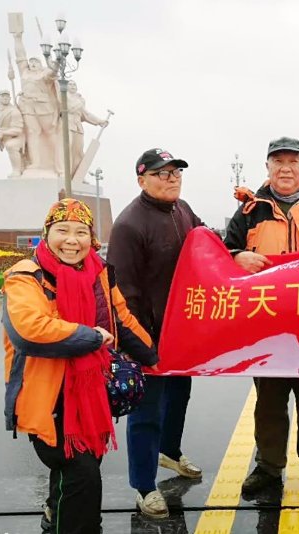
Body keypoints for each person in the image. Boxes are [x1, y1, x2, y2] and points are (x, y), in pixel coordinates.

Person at [2, 198, 157, 534]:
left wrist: (154, 355)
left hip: (91, 395)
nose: (72, 240)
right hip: (49, 401)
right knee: (82, 476)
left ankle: (54, 519)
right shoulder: (25, 278)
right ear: (46, 234)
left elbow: (121, 319)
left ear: (92, 238)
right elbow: (30, 332)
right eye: (62, 230)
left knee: (74, 478)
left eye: (81, 232)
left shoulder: (99, 274)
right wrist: (89, 336)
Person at [223, 136, 299, 498]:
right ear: (268, 168)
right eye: (278, 162)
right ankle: (269, 467)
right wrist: (236, 256)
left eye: (293, 161)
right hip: (266, 329)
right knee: (269, 406)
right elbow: (223, 253)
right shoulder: (249, 211)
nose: (286, 168)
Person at [107, 148, 204, 518]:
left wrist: (236, 253)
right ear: (142, 179)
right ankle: (144, 487)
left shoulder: (183, 210)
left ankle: (171, 452)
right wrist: (141, 345)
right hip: (148, 337)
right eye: (161, 173)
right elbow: (123, 293)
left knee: (179, 396)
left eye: (176, 171)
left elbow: (205, 244)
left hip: (182, 331)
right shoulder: (130, 224)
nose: (171, 178)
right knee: (145, 412)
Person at [12, 30, 59, 172]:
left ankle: (60, 162)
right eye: (31, 62)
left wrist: (55, 62)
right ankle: (36, 163)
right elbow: (20, 56)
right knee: (33, 133)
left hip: (44, 107)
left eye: (36, 62)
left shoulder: (44, 74)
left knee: (50, 133)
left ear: (41, 65)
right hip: (27, 106)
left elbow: (54, 72)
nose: (32, 63)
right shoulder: (24, 73)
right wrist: (17, 38)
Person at [65, 80, 109, 176]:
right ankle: (64, 174)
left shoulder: (79, 100)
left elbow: (86, 114)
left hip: (77, 127)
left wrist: (100, 121)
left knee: (78, 152)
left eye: (74, 84)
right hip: (66, 126)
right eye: (70, 84)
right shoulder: (63, 96)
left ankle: (76, 175)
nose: (72, 86)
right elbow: (69, 108)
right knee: (66, 149)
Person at [0, 89, 25, 177]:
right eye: (3, 96)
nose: (5, 98)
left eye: (7, 96)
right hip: (5, 137)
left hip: (18, 137)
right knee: (8, 144)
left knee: (11, 145)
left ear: (10, 98)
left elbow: (18, 130)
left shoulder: (14, 111)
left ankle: (16, 171)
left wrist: (3, 133)